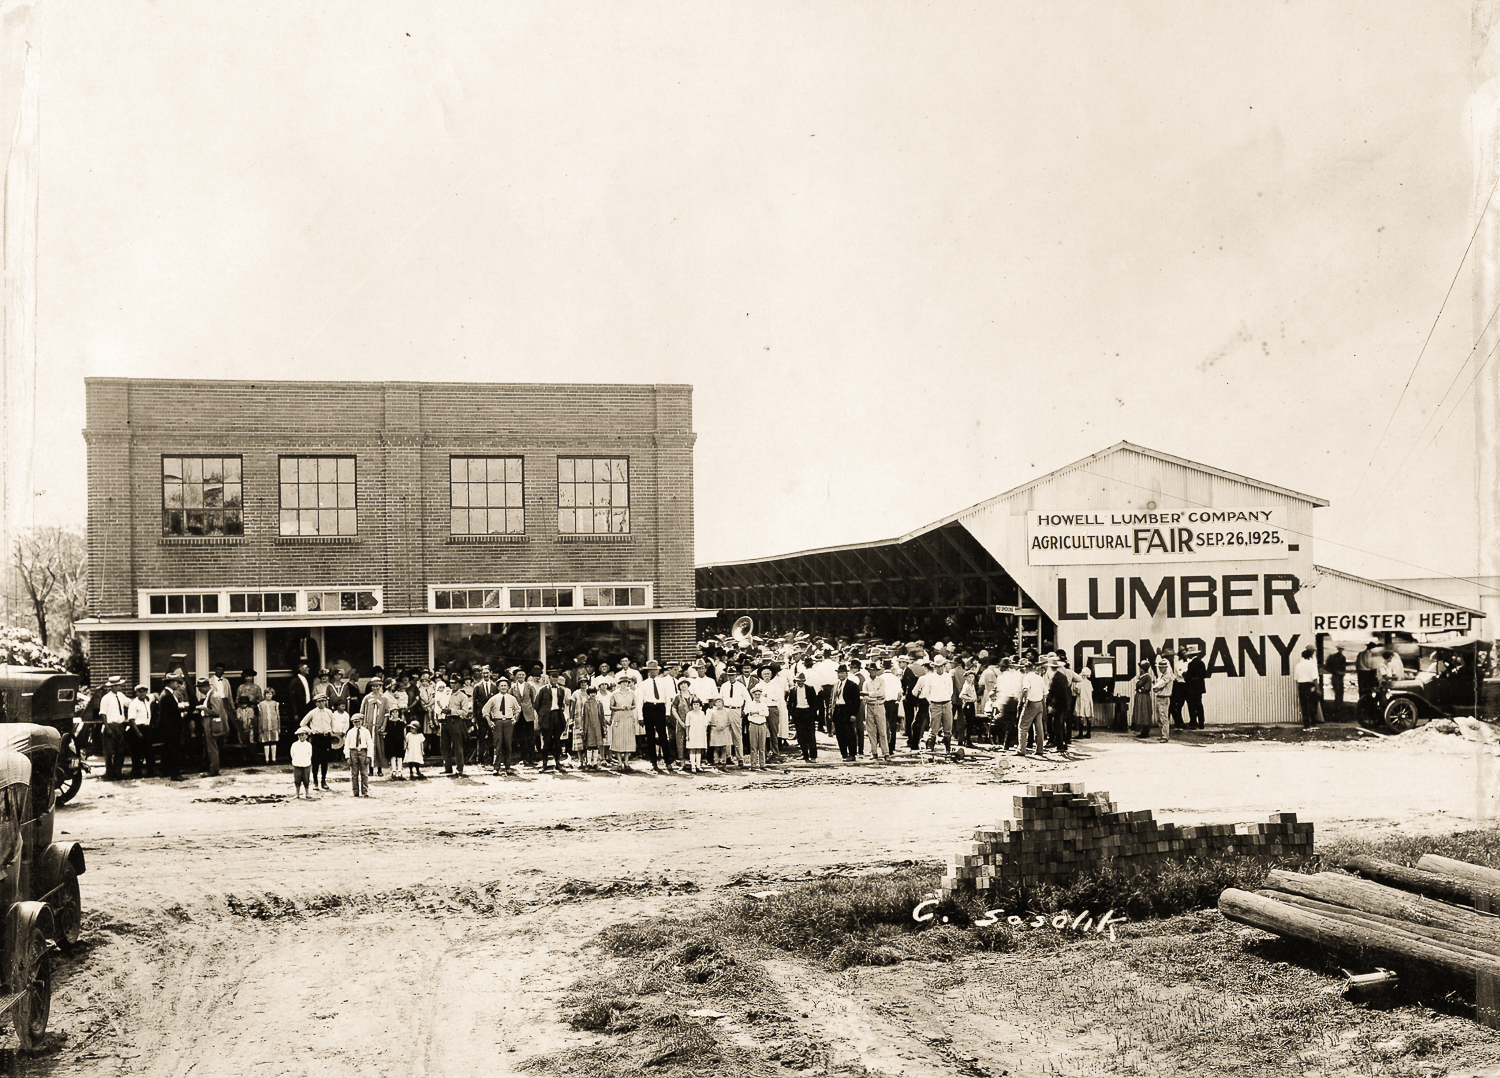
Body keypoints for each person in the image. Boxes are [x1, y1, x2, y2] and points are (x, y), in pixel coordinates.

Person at [639, 659, 678, 774]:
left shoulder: (663, 682)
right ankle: (654, 762)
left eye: (655, 670)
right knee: (650, 736)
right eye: (651, 670)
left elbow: (667, 698)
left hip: (660, 708)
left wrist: (667, 713)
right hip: (649, 708)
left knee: (663, 736)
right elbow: (640, 701)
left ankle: (668, 762)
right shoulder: (644, 683)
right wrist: (640, 716)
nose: (654, 672)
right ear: (648, 671)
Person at [917, 655, 956, 757]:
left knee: (948, 728)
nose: (940, 668)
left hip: (947, 703)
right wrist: (933, 702)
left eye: (942, 666)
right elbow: (926, 693)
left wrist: (945, 699)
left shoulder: (948, 676)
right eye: (938, 666)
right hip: (935, 704)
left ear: (944, 666)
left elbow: (950, 691)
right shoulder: (930, 678)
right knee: (934, 728)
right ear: (934, 667)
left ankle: (947, 750)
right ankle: (931, 750)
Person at [97, 676, 129, 780]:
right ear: (111, 687)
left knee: (120, 750)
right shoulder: (106, 698)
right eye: (115, 686)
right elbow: (103, 714)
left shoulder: (121, 696)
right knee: (109, 751)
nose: (117, 687)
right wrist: (107, 728)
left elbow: (129, 703)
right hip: (110, 725)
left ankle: (117, 772)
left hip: (120, 725)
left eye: (118, 685)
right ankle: (109, 774)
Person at [156, 675, 188, 781]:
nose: (178, 684)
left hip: (169, 727)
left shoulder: (168, 694)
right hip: (171, 728)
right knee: (174, 750)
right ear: (170, 683)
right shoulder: (167, 696)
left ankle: (164, 770)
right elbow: (172, 712)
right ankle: (175, 774)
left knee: (168, 750)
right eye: (176, 682)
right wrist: (183, 712)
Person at [829, 664, 862, 760]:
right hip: (838, 710)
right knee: (839, 733)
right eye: (839, 673)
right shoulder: (835, 685)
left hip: (847, 710)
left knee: (850, 733)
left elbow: (856, 701)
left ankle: (852, 754)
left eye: (842, 673)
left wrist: (853, 714)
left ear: (846, 674)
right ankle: (844, 753)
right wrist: (831, 712)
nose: (840, 675)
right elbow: (832, 699)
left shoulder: (852, 685)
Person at [1015, 660, 1048, 756]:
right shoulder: (1039, 678)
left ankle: (1021, 749)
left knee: (1022, 726)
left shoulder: (1027, 678)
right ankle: (1039, 749)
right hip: (1040, 702)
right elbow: (1045, 692)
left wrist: (1023, 701)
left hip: (1031, 702)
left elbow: (1025, 689)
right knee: (1038, 727)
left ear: (1025, 669)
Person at [608, 674, 639, 771]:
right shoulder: (615, 693)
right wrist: (620, 708)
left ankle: (626, 762)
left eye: (626, 682)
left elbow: (634, 705)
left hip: (629, 717)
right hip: (618, 718)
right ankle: (619, 763)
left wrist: (630, 707)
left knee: (628, 741)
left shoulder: (631, 693)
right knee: (618, 740)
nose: (625, 684)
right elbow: (611, 707)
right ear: (619, 683)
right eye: (623, 682)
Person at [787, 672, 820, 762]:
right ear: (795, 681)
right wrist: (793, 713)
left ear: (805, 681)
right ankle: (804, 755)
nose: (800, 683)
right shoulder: (792, 690)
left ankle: (813, 756)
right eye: (798, 681)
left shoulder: (810, 688)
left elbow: (816, 703)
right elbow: (789, 703)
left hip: (808, 712)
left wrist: (812, 712)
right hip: (798, 713)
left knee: (811, 735)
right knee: (801, 736)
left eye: (802, 681)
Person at [305, 693, 335, 787]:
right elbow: (303, 723)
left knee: (324, 760)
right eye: (319, 702)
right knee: (315, 761)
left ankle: (323, 781)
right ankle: (315, 782)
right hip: (316, 738)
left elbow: (333, 723)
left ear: (326, 702)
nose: (321, 703)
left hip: (326, 738)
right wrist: (310, 731)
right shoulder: (312, 712)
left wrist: (330, 731)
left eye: (323, 701)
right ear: (316, 703)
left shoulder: (329, 712)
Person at [860, 666, 890, 761]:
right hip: (869, 706)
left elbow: (881, 693)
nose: (872, 672)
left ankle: (886, 753)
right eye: (870, 670)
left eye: (874, 670)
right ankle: (874, 752)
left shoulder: (881, 681)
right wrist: (873, 696)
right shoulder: (866, 682)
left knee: (882, 731)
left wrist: (869, 694)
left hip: (879, 706)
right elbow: (864, 696)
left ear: (876, 671)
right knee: (871, 731)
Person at [126, 684, 154, 778]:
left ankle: (150, 772)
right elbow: (131, 720)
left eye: (144, 691)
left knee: (149, 752)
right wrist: (138, 733)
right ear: (136, 693)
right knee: (137, 753)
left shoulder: (146, 701)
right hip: (137, 729)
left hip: (146, 729)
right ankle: (136, 772)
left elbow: (155, 695)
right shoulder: (134, 703)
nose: (142, 693)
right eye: (140, 691)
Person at [345, 713, 373, 797]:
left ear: (361, 721)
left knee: (364, 773)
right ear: (352, 723)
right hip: (353, 752)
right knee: (354, 773)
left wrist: (369, 756)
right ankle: (355, 792)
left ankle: (365, 792)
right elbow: (346, 745)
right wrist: (348, 756)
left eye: (358, 721)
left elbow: (370, 744)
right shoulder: (350, 732)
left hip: (363, 752)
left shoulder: (366, 731)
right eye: (355, 722)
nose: (357, 723)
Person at [579, 684, 605, 770]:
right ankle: (589, 763)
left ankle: (595, 763)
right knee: (589, 745)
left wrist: (603, 726)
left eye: (594, 693)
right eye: (591, 693)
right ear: (588, 694)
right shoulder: (586, 704)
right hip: (589, 726)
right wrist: (583, 728)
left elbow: (602, 716)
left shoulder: (599, 703)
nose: (592, 694)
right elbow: (584, 717)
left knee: (596, 745)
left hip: (597, 726)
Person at [1294, 646, 1320, 728]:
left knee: (1304, 704)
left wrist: (1298, 689)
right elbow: (1315, 678)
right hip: (1310, 685)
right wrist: (1318, 689)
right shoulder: (1311, 665)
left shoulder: (1298, 666)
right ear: (1310, 656)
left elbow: (1296, 679)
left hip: (1301, 685)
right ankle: (1313, 721)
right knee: (1312, 703)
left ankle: (1306, 723)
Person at [1182, 645, 1207, 729]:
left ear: (1190, 655)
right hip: (1199, 688)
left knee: (1192, 705)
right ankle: (1201, 722)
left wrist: (1184, 674)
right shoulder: (1201, 663)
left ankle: (1193, 722)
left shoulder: (1191, 664)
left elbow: (1188, 677)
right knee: (1199, 704)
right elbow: (1204, 674)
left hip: (1192, 688)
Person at [745, 687, 770, 769]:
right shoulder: (750, 704)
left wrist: (757, 712)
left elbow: (766, 713)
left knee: (762, 746)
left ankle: (762, 764)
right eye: (755, 694)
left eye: (759, 694)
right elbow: (749, 713)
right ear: (753, 695)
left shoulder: (764, 704)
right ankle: (753, 764)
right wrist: (759, 713)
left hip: (762, 724)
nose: (757, 696)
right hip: (753, 724)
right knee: (753, 746)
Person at [1151, 656, 1174, 743]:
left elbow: (1158, 686)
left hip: (1164, 697)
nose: (1160, 669)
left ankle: (1165, 736)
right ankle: (1162, 735)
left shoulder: (1167, 675)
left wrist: (1155, 687)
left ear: (1166, 667)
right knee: (1159, 718)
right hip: (1160, 697)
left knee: (1163, 718)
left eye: (1162, 667)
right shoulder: (1163, 675)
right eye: (1160, 667)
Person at [685, 693, 709, 772]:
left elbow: (705, 725)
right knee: (692, 750)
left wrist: (704, 734)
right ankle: (693, 766)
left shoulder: (702, 713)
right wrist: (687, 735)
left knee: (698, 750)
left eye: (697, 704)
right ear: (692, 705)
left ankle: (698, 766)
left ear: (700, 705)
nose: (696, 706)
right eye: (694, 704)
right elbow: (687, 725)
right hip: (692, 734)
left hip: (700, 734)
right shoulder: (689, 714)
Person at [1130, 660, 1155, 738]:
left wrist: (1139, 686)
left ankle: (1145, 732)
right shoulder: (1144, 676)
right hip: (1141, 696)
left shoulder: (1146, 676)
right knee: (1142, 713)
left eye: (1140, 668)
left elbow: (1138, 685)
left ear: (1142, 668)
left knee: (1144, 713)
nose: (1139, 669)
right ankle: (1143, 731)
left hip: (1143, 697)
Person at [257, 687, 283, 763]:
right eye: (267, 694)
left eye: (270, 694)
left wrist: (278, 727)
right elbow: (260, 716)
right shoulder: (261, 704)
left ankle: (274, 758)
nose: (269, 696)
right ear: (264, 695)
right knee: (266, 741)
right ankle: (267, 759)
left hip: (274, 725)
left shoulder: (275, 704)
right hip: (264, 725)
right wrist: (260, 727)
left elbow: (278, 716)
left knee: (273, 741)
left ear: (272, 695)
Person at [1323, 646, 1348, 721]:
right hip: (1336, 676)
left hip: (1338, 676)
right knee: (1339, 695)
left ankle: (1338, 712)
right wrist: (1338, 672)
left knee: (1339, 695)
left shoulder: (1339, 657)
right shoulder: (1337, 657)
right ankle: (1338, 713)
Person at [290, 727, 315, 799]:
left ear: (306, 736)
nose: (301, 737)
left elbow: (310, 754)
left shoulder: (308, 745)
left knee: (306, 779)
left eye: (302, 735)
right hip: (297, 764)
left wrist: (306, 761)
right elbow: (292, 754)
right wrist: (296, 760)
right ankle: (297, 794)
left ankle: (307, 793)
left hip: (306, 764)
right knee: (297, 779)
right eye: (299, 735)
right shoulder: (294, 745)